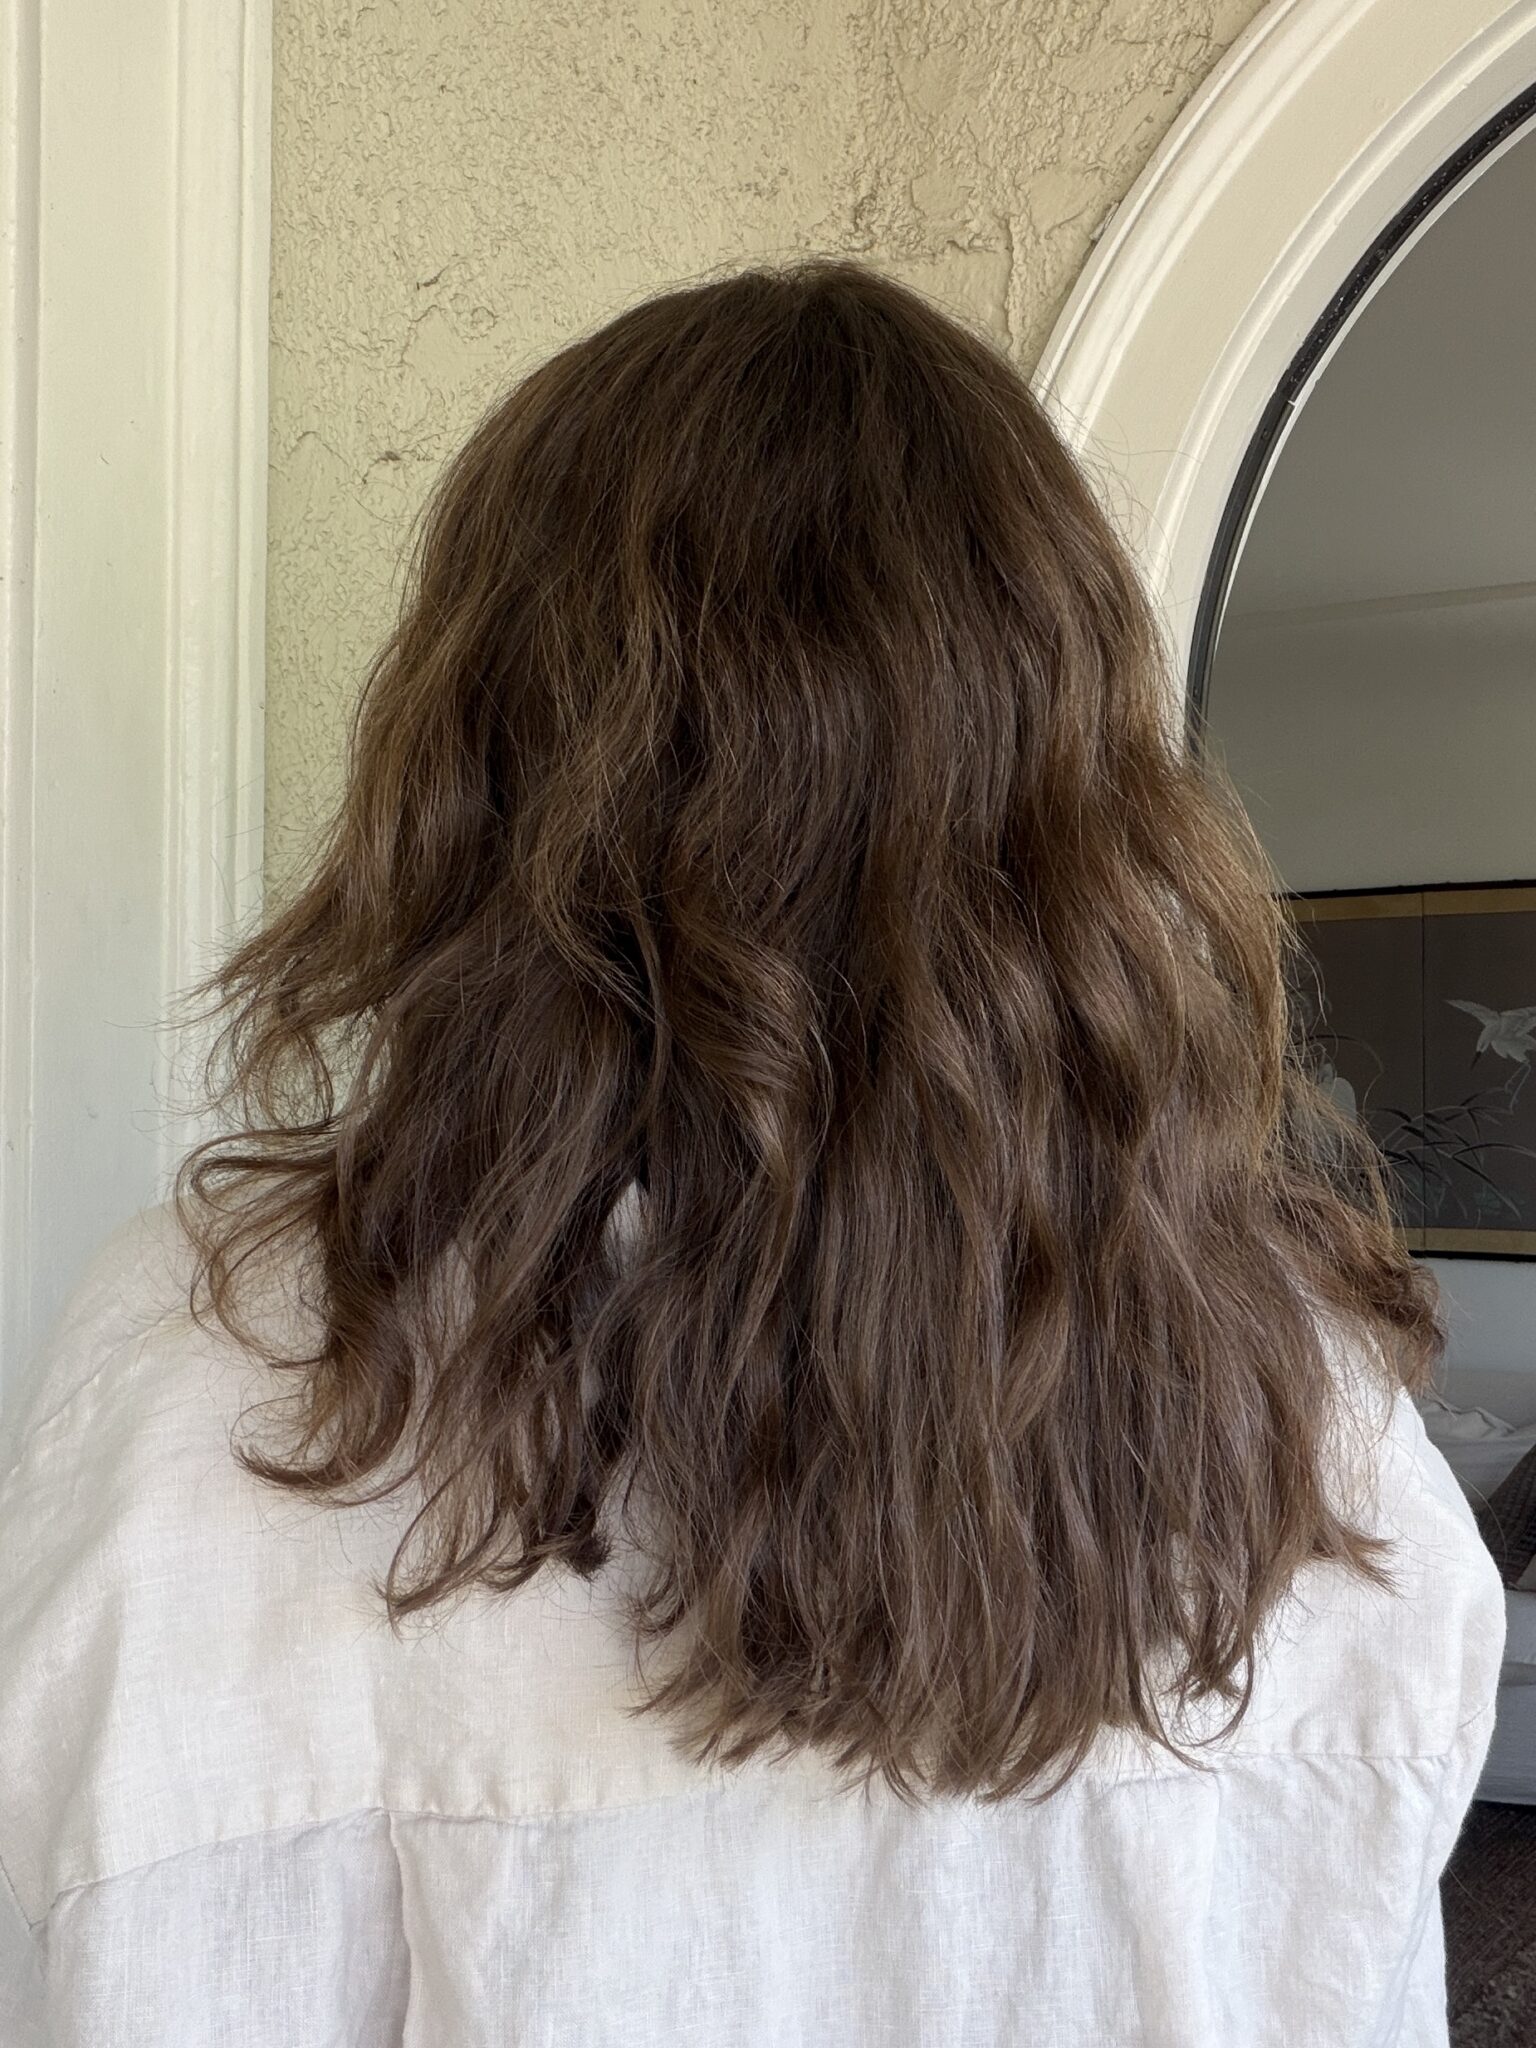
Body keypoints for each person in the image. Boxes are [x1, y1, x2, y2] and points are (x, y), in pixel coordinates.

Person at [0, 258, 1504, 2046]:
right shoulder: (1318, 1415)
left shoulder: (238, 1368)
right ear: (1077, 790)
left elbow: (122, 1981)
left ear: (483, 755)